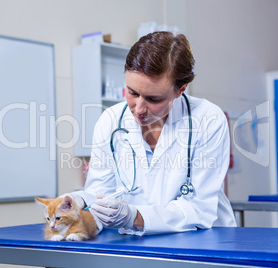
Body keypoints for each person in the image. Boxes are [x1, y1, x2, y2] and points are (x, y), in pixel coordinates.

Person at [63, 31, 236, 236]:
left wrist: (134, 216)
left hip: (204, 241)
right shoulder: (110, 120)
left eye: (154, 99)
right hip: (136, 242)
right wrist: (81, 200)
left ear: (181, 90)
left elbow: (200, 208)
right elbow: (101, 191)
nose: (139, 108)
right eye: (132, 93)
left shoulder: (208, 119)